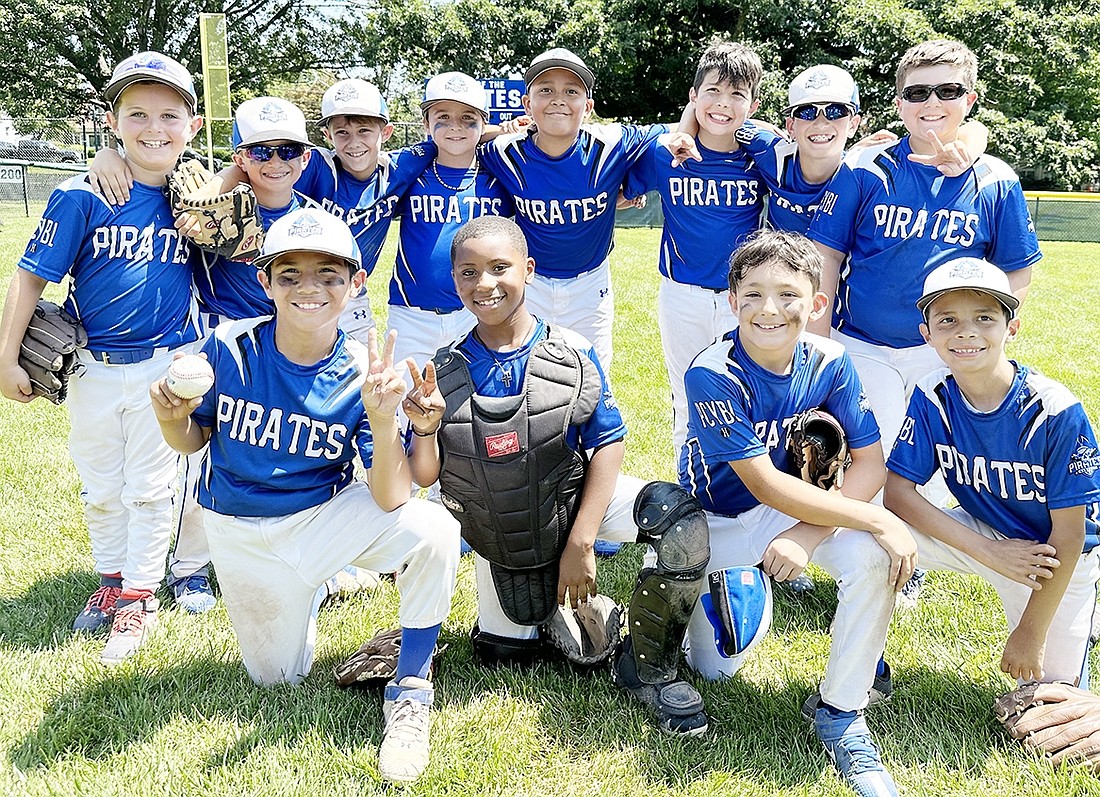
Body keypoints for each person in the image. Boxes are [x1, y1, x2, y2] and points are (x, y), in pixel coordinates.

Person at [149, 207, 460, 784]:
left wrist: (384, 417)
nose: (309, 288)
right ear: (263, 282)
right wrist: (172, 416)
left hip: (321, 518)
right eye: (288, 274)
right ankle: (335, 581)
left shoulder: (365, 369)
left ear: (355, 284)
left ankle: (412, 686)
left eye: (330, 275)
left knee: (434, 530)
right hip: (240, 534)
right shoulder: (227, 347)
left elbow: (392, 497)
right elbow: (191, 441)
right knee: (277, 680)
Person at [402, 215, 711, 736]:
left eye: (500, 268)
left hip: (570, 499)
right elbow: (428, 477)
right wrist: (427, 429)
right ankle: (558, 615)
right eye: (469, 272)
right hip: (499, 529)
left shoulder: (569, 348)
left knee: (678, 520)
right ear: (454, 280)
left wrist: (583, 541)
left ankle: (652, 668)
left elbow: (608, 443)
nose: (485, 284)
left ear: (528, 269)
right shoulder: (444, 366)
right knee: (504, 657)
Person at [680, 230, 917, 796]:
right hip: (721, 518)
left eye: (788, 294)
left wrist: (810, 536)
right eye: (754, 292)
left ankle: (842, 710)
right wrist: (879, 517)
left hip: (796, 510)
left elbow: (870, 464)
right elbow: (761, 483)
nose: (770, 309)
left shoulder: (832, 360)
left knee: (870, 557)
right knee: (712, 666)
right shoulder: (711, 371)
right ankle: (694, 592)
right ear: (731, 299)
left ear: (817, 304)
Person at [0, 52, 204, 664]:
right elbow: (31, 279)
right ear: (111, 120)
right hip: (90, 363)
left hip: (166, 365)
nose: (153, 128)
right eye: (136, 114)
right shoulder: (80, 194)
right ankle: (112, 578)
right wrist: (6, 357)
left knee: (150, 488)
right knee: (99, 488)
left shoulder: (195, 193)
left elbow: (270, 183)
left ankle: (139, 593)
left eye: (170, 115)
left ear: (192, 127)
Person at [884, 257, 1100, 688]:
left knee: (1048, 705)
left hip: (1052, 559)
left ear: (1011, 327)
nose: (966, 332)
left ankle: (1082, 617)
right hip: (984, 531)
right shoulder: (934, 393)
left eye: (985, 318)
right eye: (947, 320)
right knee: (873, 541)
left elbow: (1071, 535)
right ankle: (865, 671)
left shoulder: (1053, 410)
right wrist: (989, 550)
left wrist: (1030, 633)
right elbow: (898, 495)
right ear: (926, 334)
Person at [477, 47, 698, 372]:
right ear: (527, 104)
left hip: (589, 286)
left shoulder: (612, 142)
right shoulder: (505, 152)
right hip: (529, 285)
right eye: (545, 90)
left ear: (588, 107)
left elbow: (692, 125)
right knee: (522, 379)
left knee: (591, 382)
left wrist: (751, 124)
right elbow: (460, 136)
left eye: (571, 91)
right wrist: (499, 128)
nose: (558, 99)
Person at [622, 40, 765, 454]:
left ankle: (745, 490)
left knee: (747, 394)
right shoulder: (664, 152)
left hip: (745, 297)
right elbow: (615, 191)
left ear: (752, 105)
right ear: (693, 97)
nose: (723, 104)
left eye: (737, 94)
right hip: (682, 294)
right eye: (713, 91)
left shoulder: (762, 156)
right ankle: (690, 488)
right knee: (687, 391)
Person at [386, 71, 513, 374]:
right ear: (426, 124)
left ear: (484, 122)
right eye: (443, 117)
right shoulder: (410, 172)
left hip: (478, 311)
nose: (455, 127)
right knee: (408, 406)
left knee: (478, 407)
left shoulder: (500, 174)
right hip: (412, 314)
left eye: (468, 118)